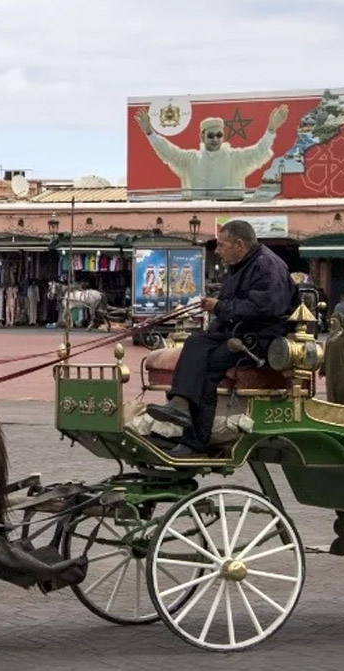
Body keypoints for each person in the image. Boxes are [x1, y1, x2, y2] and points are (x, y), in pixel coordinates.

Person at [145, 220, 297, 457]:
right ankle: (180, 404)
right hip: (237, 331)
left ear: (239, 244)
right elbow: (231, 307)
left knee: (211, 364)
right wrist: (215, 317)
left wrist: (220, 307)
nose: (217, 251)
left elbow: (264, 308)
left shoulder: (267, 266)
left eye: (221, 245)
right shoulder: (242, 265)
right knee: (195, 343)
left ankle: (196, 442)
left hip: (259, 339)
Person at [134, 105, 289, 200]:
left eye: (219, 135)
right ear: (202, 136)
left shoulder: (234, 158)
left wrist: (271, 129)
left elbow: (259, 152)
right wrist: (149, 132)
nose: (215, 139)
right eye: (211, 135)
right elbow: (167, 151)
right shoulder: (190, 159)